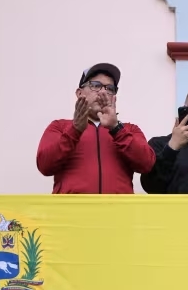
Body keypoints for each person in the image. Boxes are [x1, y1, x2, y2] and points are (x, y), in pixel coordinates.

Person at [36, 63, 155, 194]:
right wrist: (74, 131)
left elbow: (147, 164)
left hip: (118, 213)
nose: (103, 92)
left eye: (110, 88)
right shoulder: (59, 127)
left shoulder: (129, 130)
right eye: (96, 85)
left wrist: (116, 129)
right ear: (79, 92)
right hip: (71, 213)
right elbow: (44, 166)